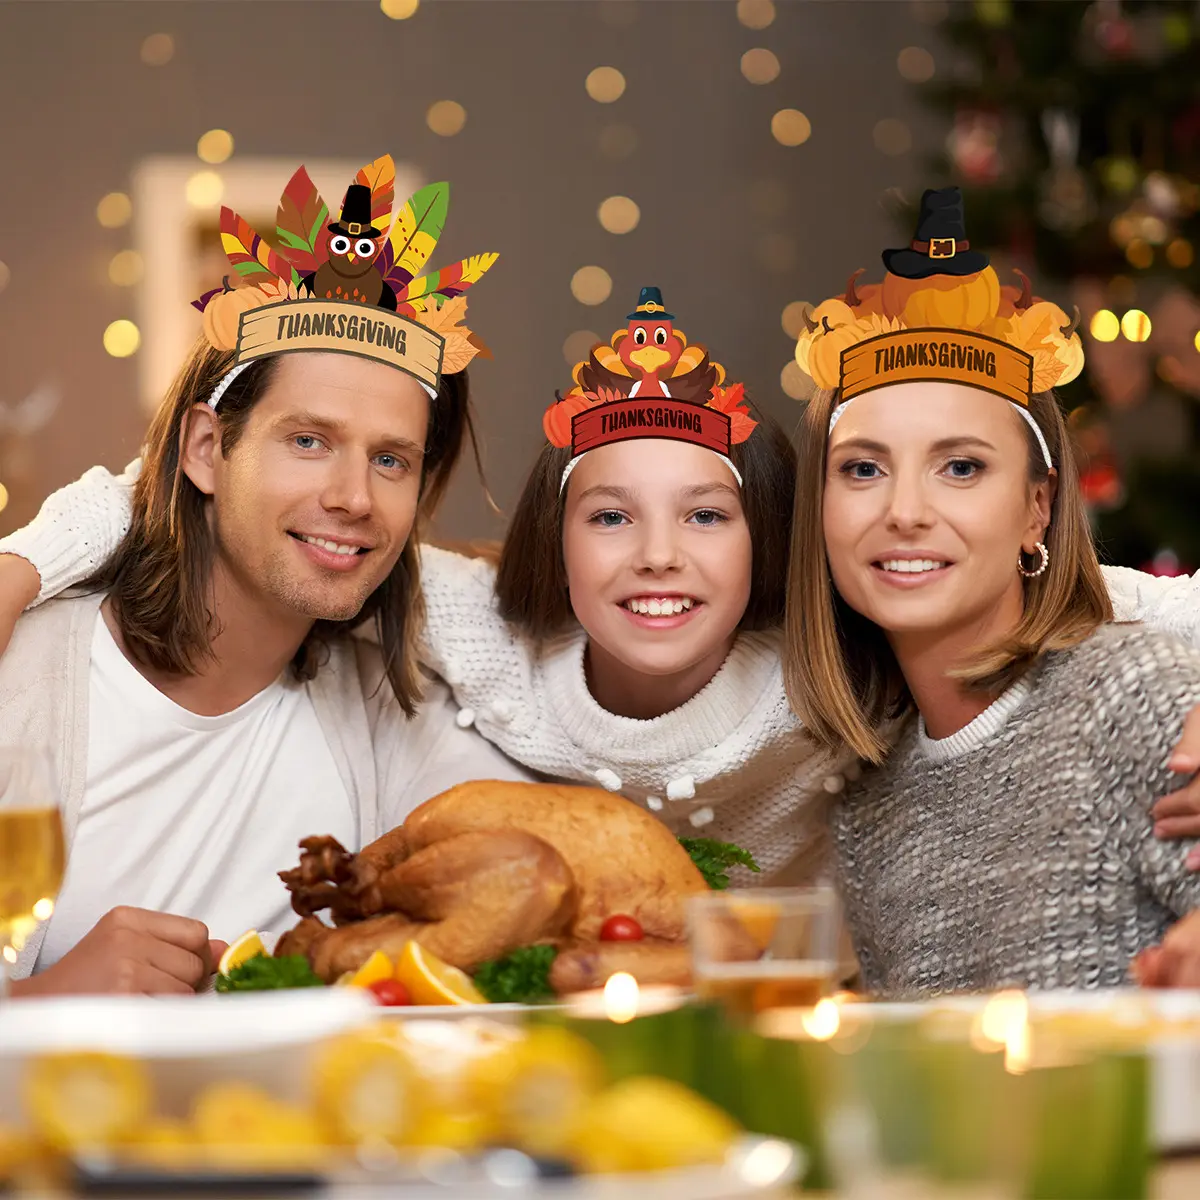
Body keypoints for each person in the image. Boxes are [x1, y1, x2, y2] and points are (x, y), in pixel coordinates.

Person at [9, 275, 1200, 891]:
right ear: (553, 540)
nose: (660, 557)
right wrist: (22, 562)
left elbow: (1087, 600)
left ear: (772, 547)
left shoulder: (833, 647)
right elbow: (175, 494)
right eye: (610, 516)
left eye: (391, 461)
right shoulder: (462, 627)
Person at [0, 154, 529, 998]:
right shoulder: (23, 681)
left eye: (390, 460)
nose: (353, 498)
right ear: (207, 450)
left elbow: (546, 861)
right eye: (308, 441)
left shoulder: (389, 710)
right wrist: (39, 1003)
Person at [785, 186, 1200, 996]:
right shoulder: (870, 803)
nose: (904, 511)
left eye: (962, 467)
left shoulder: (1133, 698)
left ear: (1036, 508)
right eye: (863, 469)